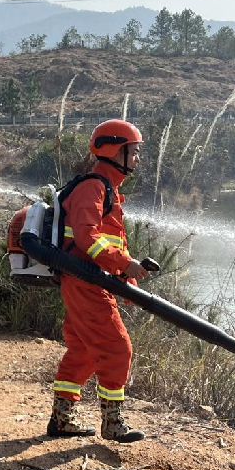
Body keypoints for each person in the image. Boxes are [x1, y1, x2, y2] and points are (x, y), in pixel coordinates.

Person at [47, 119, 150, 443]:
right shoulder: (94, 187)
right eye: (133, 151)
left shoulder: (108, 190)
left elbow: (111, 243)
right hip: (84, 281)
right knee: (117, 349)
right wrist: (124, 265)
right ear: (115, 150)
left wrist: (127, 281)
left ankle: (61, 419)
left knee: (85, 351)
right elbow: (87, 238)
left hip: (91, 281)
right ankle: (113, 422)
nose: (137, 158)